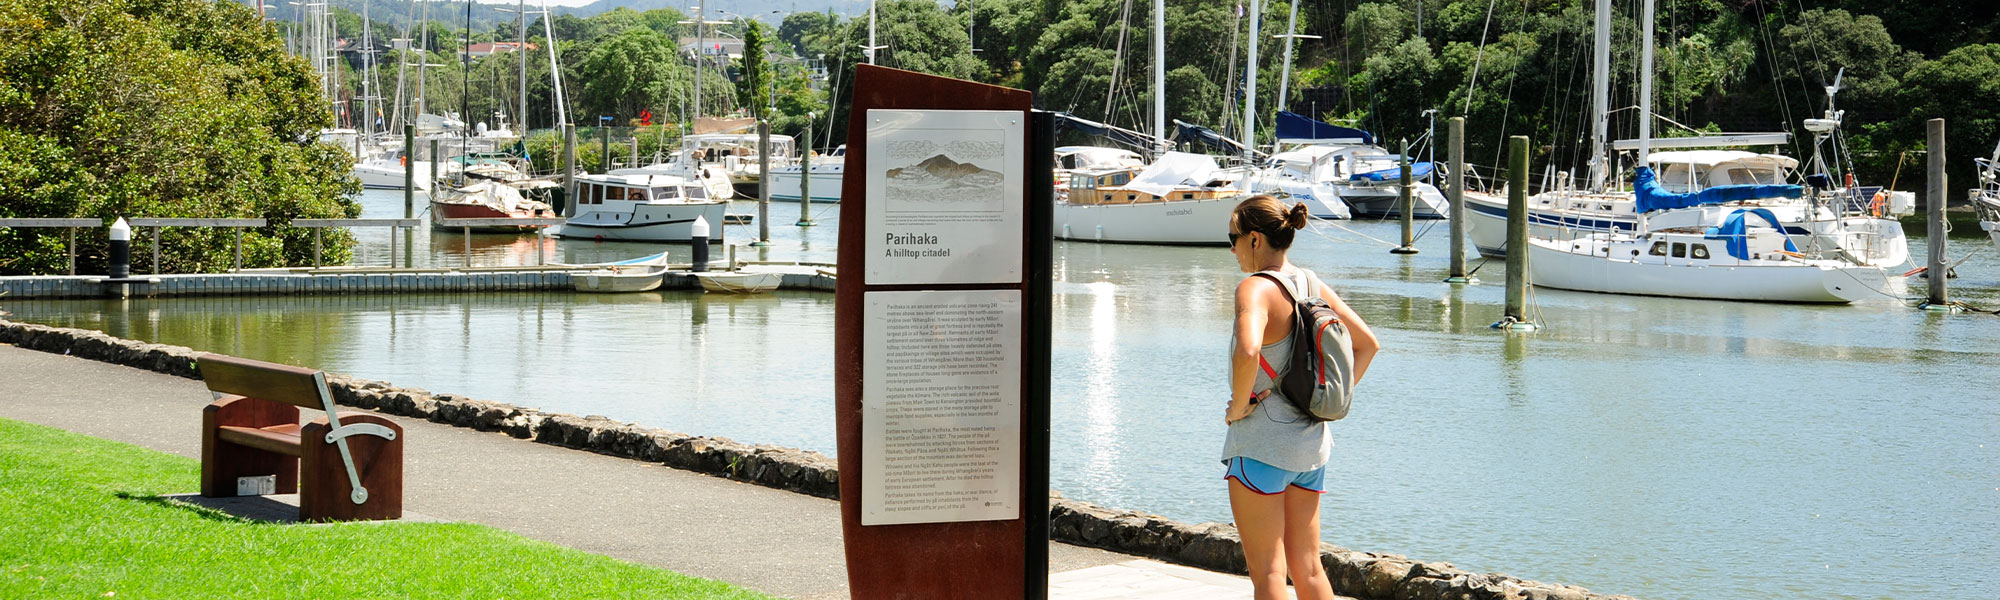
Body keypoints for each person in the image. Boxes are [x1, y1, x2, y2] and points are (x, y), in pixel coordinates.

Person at [1221, 195, 1380, 600]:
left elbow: (1248, 351)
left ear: (1255, 239)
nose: (1232, 249)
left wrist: (1240, 406)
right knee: (1308, 569)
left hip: (1261, 447)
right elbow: (1367, 344)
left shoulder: (1254, 288)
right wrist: (1322, 403)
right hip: (1311, 446)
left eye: (1232, 238)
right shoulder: (1309, 281)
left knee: (1269, 575)